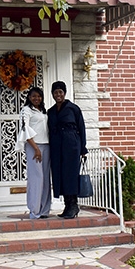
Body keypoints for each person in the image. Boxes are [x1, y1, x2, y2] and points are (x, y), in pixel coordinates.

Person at [47, 81, 87, 219]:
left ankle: (74, 205)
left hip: (71, 144)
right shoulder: (51, 111)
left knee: (70, 174)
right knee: (60, 174)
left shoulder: (73, 108)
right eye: (55, 92)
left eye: (60, 92)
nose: (58, 95)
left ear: (64, 93)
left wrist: (83, 148)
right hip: (57, 145)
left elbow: (81, 128)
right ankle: (67, 204)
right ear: (52, 94)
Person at [16, 86, 52, 219]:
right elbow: (25, 129)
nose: (36, 98)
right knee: (36, 178)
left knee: (46, 179)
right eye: (33, 96)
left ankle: (44, 210)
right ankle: (34, 211)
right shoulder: (26, 110)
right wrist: (36, 148)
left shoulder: (43, 111)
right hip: (34, 146)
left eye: (39, 96)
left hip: (46, 145)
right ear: (29, 98)